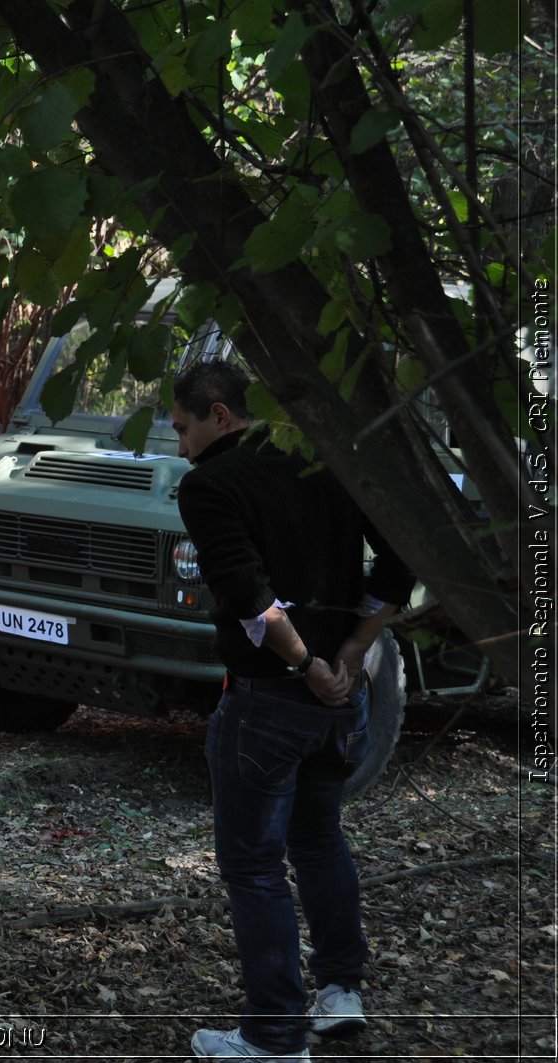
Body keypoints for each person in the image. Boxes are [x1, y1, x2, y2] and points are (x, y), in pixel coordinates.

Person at [170, 359, 415, 1061]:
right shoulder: (320, 461)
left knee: (253, 865)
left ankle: (274, 1036)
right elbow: (400, 555)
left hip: (271, 703)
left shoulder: (211, 484)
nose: (181, 445)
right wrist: (355, 647)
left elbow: (247, 594)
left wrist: (306, 665)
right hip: (343, 697)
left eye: (185, 427)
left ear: (220, 414)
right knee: (318, 837)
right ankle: (340, 991)